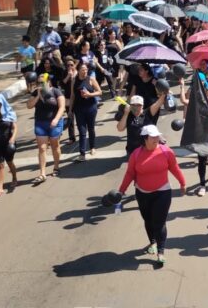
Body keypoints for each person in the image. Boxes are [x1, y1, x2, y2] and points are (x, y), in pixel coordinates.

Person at [118, 125, 187, 265]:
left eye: (157, 136)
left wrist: (182, 183)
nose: (156, 139)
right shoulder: (136, 155)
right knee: (148, 220)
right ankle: (153, 243)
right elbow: (130, 173)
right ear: (145, 139)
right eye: (153, 137)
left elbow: (174, 168)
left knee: (159, 222)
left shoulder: (166, 152)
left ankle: (161, 251)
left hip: (163, 192)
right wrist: (121, 190)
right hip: (142, 193)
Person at [27, 72, 65, 183]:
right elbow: (29, 105)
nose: (39, 84)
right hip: (40, 123)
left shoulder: (56, 91)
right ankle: (42, 173)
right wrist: (38, 95)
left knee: (55, 145)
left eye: (41, 82)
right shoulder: (35, 93)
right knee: (42, 148)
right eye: (38, 82)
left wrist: (56, 119)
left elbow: (62, 107)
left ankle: (56, 166)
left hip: (54, 122)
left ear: (48, 82)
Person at [71, 61, 102, 160]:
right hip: (79, 108)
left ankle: (92, 147)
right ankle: (82, 153)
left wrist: (90, 94)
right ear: (78, 70)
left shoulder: (91, 79)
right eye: (82, 70)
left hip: (91, 107)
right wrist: (70, 110)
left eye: (86, 69)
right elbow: (72, 96)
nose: (84, 71)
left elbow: (100, 92)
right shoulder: (74, 80)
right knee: (82, 131)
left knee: (91, 128)